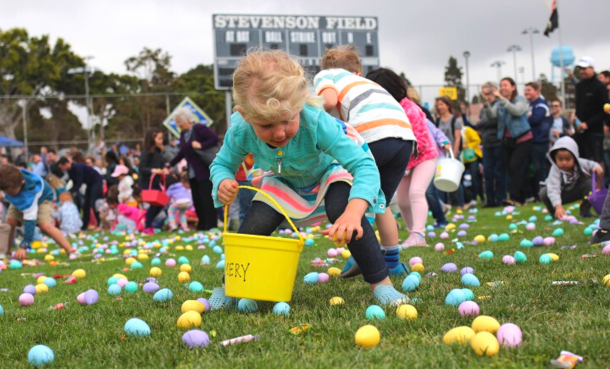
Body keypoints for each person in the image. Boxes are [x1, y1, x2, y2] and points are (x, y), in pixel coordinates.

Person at [210, 50, 409, 308]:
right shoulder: (240, 129)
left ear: (300, 104)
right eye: (266, 125)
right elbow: (222, 164)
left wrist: (354, 211)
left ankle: (382, 285)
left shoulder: (314, 120)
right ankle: (231, 285)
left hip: (329, 172)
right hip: (284, 180)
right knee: (254, 224)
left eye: (286, 120)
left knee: (344, 212)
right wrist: (223, 180)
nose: (279, 132)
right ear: (245, 115)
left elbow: (363, 164)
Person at [313, 46, 416, 276]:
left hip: (371, 134)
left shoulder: (326, 75)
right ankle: (392, 262)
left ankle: (364, 255)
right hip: (404, 137)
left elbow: (328, 102)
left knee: (352, 198)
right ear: (358, 72)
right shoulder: (369, 84)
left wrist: (309, 114)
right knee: (380, 203)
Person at [366, 67, 437, 248]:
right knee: (403, 201)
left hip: (424, 156)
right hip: (406, 160)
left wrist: (400, 156)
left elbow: (421, 139)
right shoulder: (387, 108)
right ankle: (414, 233)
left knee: (416, 192)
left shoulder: (410, 109)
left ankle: (418, 234)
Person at [0, 164, 77, 260]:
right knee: (10, 222)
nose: (7, 195)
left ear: (22, 182)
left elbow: (30, 223)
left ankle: (70, 250)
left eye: (11, 193)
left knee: (45, 226)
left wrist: (24, 245)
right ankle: (7, 253)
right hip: (19, 198)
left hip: (42, 199)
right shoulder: (10, 179)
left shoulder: (31, 193)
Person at [169, 108, 220, 231]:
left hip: (204, 171)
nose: (178, 125)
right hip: (192, 173)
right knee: (197, 200)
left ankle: (211, 225)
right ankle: (202, 224)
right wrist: (170, 163)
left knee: (206, 199)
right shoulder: (182, 134)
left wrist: (201, 145)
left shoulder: (198, 128)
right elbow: (183, 152)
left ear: (187, 119)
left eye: (179, 122)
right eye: (176, 123)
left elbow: (214, 138)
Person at [539, 136, 600, 219]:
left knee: (590, 184)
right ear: (555, 158)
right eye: (560, 159)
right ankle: (555, 213)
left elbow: (592, 164)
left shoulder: (580, 163)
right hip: (560, 195)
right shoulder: (555, 170)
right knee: (544, 192)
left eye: (568, 159)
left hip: (575, 191)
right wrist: (558, 206)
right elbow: (553, 189)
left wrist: (596, 168)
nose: (564, 163)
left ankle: (584, 211)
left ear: (574, 157)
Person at [496, 77, 532, 206]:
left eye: (505, 85)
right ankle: (521, 198)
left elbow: (517, 111)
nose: (502, 88)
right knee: (512, 169)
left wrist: (502, 100)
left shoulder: (520, 100)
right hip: (507, 141)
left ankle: (516, 198)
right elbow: (492, 116)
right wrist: (489, 102)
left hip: (523, 139)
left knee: (515, 165)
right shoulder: (500, 102)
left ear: (513, 87)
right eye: (501, 85)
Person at [574, 56, 610, 162]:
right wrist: (575, 121)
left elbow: (604, 111)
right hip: (580, 131)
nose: (582, 71)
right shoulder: (579, 86)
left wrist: (588, 124)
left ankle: (598, 180)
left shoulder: (600, 87)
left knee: (596, 162)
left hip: (595, 132)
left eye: (584, 68)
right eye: (580, 69)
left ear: (592, 68)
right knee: (581, 161)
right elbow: (579, 107)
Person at [434, 96, 466, 210]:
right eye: (438, 105)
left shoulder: (454, 120)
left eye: (442, 104)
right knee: (440, 179)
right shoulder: (437, 121)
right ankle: (443, 205)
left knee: (455, 179)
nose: (440, 107)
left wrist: (455, 153)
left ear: (448, 106)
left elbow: (457, 138)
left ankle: (460, 204)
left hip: (452, 154)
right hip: (441, 156)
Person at [477, 82, 506, 207]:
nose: (486, 96)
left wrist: (483, 123)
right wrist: (484, 123)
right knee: (487, 173)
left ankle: (500, 199)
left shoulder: (500, 104)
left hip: (498, 142)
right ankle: (490, 201)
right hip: (487, 143)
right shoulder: (484, 108)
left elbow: (494, 119)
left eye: (488, 93)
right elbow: (480, 123)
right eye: (483, 94)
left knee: (499, 173)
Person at [57, 157, 103, 230]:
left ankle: (99, 224)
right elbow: (75, 183)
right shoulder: (70, 171)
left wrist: (70, 191)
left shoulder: (78, 167)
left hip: (96, 181)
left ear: (66, 164)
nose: (62, 169)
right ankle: (84, 226)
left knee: (93, 203)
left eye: (62, 167)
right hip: (89, 183)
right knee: (86, 205)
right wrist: (70, 191)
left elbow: (79, 183)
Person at [524, 81, 552, 199]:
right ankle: (534, 194)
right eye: (525, 90)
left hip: (539, 142)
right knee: (531, 169)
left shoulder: (541, 105)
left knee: (539, 169)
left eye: (529, 90)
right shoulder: (531, 104)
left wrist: (526, 118)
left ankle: (544, 194)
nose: (526, 92)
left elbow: (535, 120)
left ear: (536, 91)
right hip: (532, 141)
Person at [139, 129, 168, 234]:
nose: (162, 140)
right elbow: (142, 168)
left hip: (155, 181)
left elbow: (161, 164)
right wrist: (153, 170)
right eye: (159, 138)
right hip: (148, 182)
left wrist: (163, 169)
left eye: (162, 138)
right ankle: (147, 225)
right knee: (155, 204)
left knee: (161, 202)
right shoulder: (146, 152)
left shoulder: (158, 152)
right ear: (152, 139)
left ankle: (147, 222)